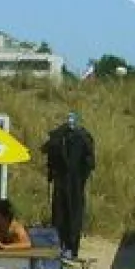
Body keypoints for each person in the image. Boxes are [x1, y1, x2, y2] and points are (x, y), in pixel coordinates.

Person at [42, 111, 97, 258]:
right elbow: (48, 153)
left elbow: (90, 161)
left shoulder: (82, 137)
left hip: (75, 182)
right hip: (66, 181)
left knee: (72, 214)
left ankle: (70, 247)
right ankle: (62, 245)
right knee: (62, 214)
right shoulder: (60, 136)